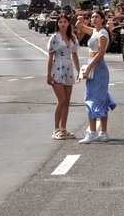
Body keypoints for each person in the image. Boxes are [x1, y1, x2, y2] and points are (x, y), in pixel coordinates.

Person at [75, 10, 116, 144]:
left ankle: (100, 132)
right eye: (92, 17)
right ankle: (95, 132)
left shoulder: (103, 33)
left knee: (99, 99)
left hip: (98, 67)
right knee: (90, 97)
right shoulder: (94, 31)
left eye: (96, 17)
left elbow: (101, 53)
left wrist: (89, 67)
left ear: (102, 19)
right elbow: (78, 27)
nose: (93, 19)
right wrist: (80, 19)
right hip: (91, 65)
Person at [47, 14, 81, 140]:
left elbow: (75, 55)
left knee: (67, 101)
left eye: (64, 22)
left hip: (68, 69)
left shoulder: (72, 37)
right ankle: (56, 129)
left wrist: (79, 71)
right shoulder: (54, 38)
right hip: (57, 69)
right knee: (61, 100)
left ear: (68, 24)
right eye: (60, 22)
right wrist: (49, 75)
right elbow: (50, 57)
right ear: (57, 24)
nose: (62, 24)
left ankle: (63, 128)